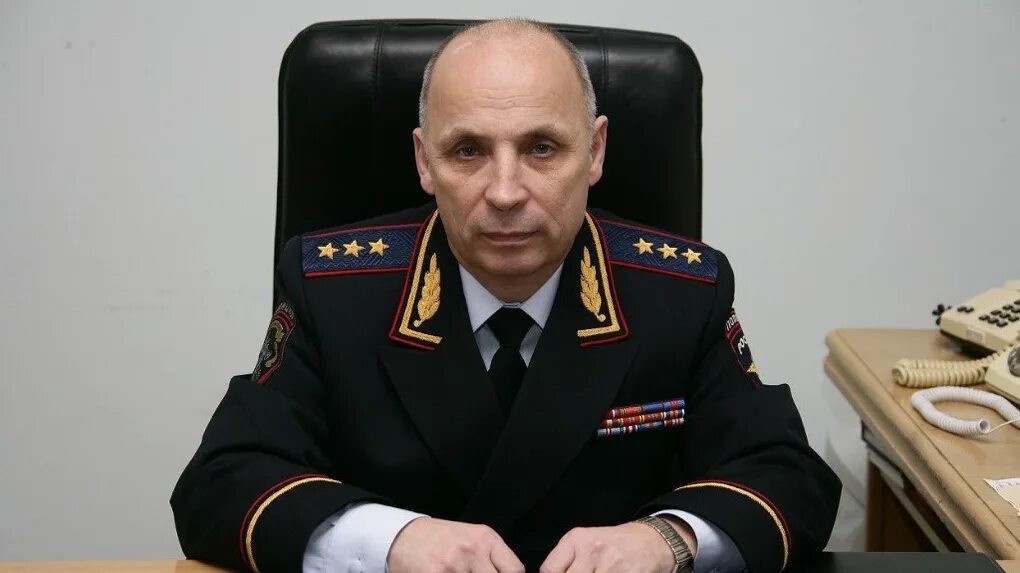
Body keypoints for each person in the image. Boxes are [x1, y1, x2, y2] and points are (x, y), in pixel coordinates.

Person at [171, 18, 840, 573]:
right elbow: (221, 481)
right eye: (467, 151)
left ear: (595, 151)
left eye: (542, 148)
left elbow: (787, 476)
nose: (505, 191)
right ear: (424, 160)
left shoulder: (680, 294)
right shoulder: (334, 291)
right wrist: (390, 540)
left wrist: (667, 539)